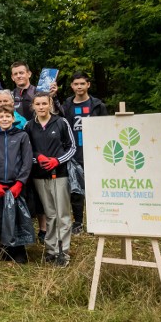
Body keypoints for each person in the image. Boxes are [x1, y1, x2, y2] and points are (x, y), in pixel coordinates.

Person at [25, 92, 76, 266]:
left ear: (50, 104)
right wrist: (37, 158)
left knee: (62, 214)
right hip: (40, 175)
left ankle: (63, 252)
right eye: (37, 104)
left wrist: (57, 160)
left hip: (59, 174)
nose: (41, 107)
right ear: (33, 106)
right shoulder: (29, 126)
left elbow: (72, 147)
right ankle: (51, 249)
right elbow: (27, 151)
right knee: (50, 214)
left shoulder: (61, 122)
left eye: (44, 104)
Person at [0, 104, 33, 263]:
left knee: (18, 216)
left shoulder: (22, 136)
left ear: (13, 118)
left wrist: (20, 183)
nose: (4, 119)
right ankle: (5, 248)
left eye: (7, 116)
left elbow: (27, 161)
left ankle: (19, 251)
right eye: (1, 117)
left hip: (16, 184)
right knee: (0, 215)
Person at [61, 72, 108, 234]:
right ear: (72, 86)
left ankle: (98, 221)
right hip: (74, 153)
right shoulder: (67, 105)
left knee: (95, 188)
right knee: (76, 190)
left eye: (82, 83)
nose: (79, 87)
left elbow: (106, 128)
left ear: (88, 85)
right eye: (76, 84)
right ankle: (78, 222)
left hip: (94, 153)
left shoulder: (97, 105)